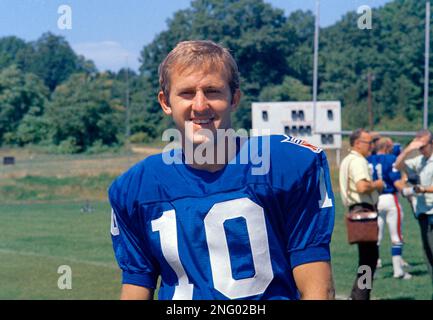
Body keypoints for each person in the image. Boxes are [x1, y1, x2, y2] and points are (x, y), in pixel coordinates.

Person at [108, 40, 335, 300]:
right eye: (187, 93)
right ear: (165, 102)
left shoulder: (284, 165)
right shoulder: (136, 187)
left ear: (234, 98)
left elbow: (318, 288)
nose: (200, 105)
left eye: (213, 91)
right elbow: (137, 284)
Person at [339, 128, 384, 300]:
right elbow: (362, 186)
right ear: (358, 144)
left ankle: (358, 294)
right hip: (363, 210)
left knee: (367, 258)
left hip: (355, 210)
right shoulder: (358, 161)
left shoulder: (347, 160)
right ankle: (361, 296)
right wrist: (378, 184)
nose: (372, 146)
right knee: (369, 259)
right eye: (369, 142)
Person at [394, 129, 433, 291]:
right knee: (428, 254)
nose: (420, 149)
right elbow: (397, 165)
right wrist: (408, 150)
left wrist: (421, 189)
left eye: (422, 146)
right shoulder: (420, 160)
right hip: (423, 211)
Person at [367, 137, 411, 279]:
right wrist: (409, 193)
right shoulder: (391, 158)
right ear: (386, 147)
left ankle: (371, 270)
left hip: (374, 199)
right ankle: (398, 271)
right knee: (396, 236)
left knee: (375, 238)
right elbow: (396, 181)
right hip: (390, 198)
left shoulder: (369, 159)